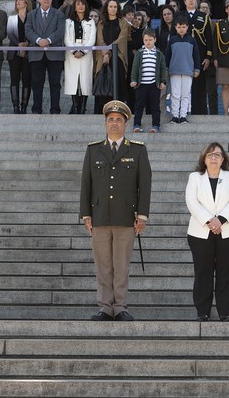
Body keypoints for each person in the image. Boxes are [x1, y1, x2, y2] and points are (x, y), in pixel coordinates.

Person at [80, 100, 151, 322]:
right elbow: (86, 183)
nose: (114, 123)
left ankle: (120, 306)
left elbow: (145, 183)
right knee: (103, 266)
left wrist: (142, 215)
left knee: (121, 265)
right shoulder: (94, 150)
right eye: (110, 120)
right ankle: (105, 307)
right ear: (105, 123)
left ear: (125, 124)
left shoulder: (137, 149)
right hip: (100, 216)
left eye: (118, 120)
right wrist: (86, 214)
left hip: (125, 217)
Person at [185, 142, 229, 321]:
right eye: (210, 155)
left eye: (217, 155)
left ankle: (225, 311)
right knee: (203, 271)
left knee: (226, 271)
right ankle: (203, 311)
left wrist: (221, 220)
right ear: (204, 158)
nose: (213, 158)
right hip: (200, 232)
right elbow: (191, 202)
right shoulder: (195, 177)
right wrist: (210, 221)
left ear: (223, 158)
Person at [25, 0, 66, 114]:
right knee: (37, 83)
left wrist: (48, 40)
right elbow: (28, 30)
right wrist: (38, 40)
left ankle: (55, 109)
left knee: (55, 83)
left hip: (55, 54)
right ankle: (36, 109)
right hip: (37, 54)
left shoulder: (59, 14)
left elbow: (60, 31)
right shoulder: (31, 14)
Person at [93, 0, 130, 114]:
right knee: (102, 81)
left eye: (115, 7)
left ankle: (117, 110)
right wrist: (106, 53)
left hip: (117, 56)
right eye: (111, 6)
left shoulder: (123, 22)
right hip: (103, 56)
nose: (113, 9)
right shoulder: (101, 23)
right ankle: (101, 110)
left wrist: (109, 50)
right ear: (107, 8)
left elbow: (122, 37)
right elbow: (100, 39)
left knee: (118, 82)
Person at [183, 0, 215, 115]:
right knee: (182, 87)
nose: (191, 1)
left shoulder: (204, 16)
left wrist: (208, 56)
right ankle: (181, 113)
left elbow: (209, 39)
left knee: (199, 87)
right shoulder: (180, 16)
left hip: (200, 56)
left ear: (196, 1)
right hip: (184, 56)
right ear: (185, 1)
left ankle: (200, 113)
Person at [130, 28, 167, 132]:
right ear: (143, 40)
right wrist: (133, 80)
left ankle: (156, 125)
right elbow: (135, 68)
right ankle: (136, 125)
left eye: (150, 39)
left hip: (154, 85)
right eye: (146, 40)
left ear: (155, 39)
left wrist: (163, 81)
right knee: (139, 106)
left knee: (155, 106)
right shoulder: (139, 53)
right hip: (141, 85)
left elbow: (163, 69)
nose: (148, 42)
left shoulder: (159, 54)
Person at [165, 14, 200, 124]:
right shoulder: (172, 40)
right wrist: (166, 69)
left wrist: (197, 69)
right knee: (175, 94)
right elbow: (167, 55)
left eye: (183, 27)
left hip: (188, 71)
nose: (181, 29)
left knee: (185, 95)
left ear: (187, 27)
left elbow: (196, 56)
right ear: (175, 27)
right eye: (179, 27)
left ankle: (183, 116)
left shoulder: (192, 40)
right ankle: (175, 115)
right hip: (174, 71)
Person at [64, 0, 96, 115]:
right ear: (74, 6)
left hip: (86, 54)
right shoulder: (68, 21)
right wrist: (74, 51)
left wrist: (83, 51)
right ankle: (75, 107)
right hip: (71, 54)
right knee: (73, 81)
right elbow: (66, 38)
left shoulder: (90, 22)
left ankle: (83, 108)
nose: (81, 6)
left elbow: (92, 39)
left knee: (85, 81)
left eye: (83, 4)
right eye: (78, 4)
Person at [6, 0, 32, 114]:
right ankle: (15, 106)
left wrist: (27, 44)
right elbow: (10, 34)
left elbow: (34, 32)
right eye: (17, 0)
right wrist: (20, 45)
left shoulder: (32, 17)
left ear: (26, 3)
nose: (18, 2)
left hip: (29, 53)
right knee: (14, 79)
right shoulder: (12, 18)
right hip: (14, 52)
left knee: (27, 79)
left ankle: (24, 106)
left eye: (21, 0)